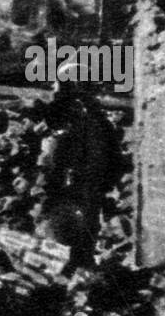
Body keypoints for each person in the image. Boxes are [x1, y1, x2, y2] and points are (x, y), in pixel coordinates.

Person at [36, 75, 125, 271]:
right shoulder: (92, 117)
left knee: (82, 224)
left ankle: (78, 263)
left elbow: (60, 156)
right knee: (85, 222)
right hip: (85, 182)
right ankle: (79, 262)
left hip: (81, 181)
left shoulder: (80, 118)